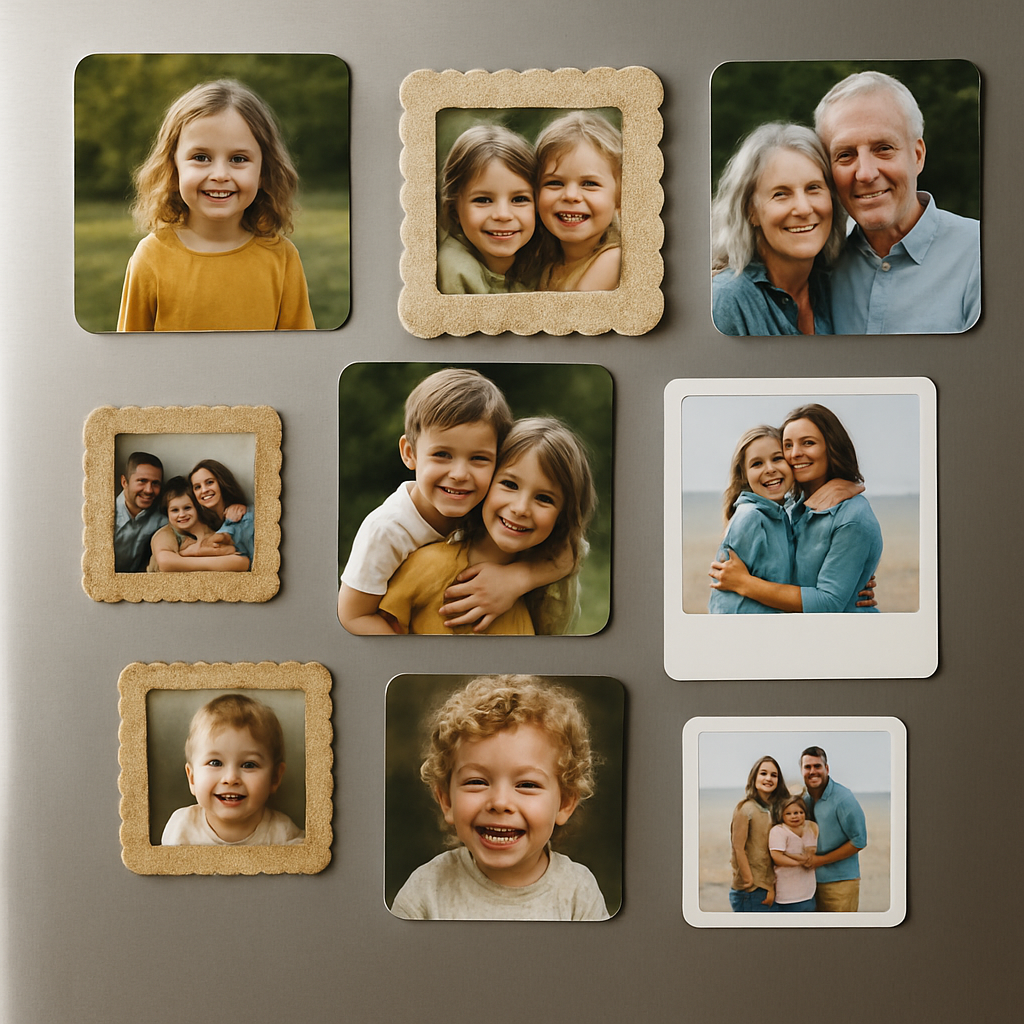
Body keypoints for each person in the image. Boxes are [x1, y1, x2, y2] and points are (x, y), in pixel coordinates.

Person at [337, 368, 573, 634]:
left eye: (479, 458)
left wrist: (514, 580)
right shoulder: (387, 530)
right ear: (409, 453)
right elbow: (353, 616)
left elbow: (568, 550)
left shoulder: (487, 505)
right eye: (442, 455)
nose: (460, 475)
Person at [390, 674, 609, 920]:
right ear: (446, 800)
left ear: (565, 803)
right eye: (477, 782)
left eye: (527, 784)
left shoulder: (579, 893)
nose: (500, 803)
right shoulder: (425, 891)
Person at [117, 79, 315, 331]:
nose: (220, 175)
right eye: (201, 157)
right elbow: (128, 352)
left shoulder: (282, 257)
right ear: (173, 169)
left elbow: (301, 351)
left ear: (264, 172)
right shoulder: (151, 257)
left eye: (238, 159)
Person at [380, 417, 596, 634]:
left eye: (544, 498)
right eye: (510, 484)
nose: (521, 508)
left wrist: (516, 580)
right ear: (487, 480)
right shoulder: (427, 561)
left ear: (562, 517)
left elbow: (573, 549)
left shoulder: (541, 582)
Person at [815, 71, 980, 334]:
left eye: (883, 148)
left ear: (917, 156)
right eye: (845, 155)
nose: (866, 173)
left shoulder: (984, 254)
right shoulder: (819, 263)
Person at [710, 403, 883, 613]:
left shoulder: (852, 516)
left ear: (832, 447)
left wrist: (745, 583)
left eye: (808, 443)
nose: (795, 454)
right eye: (788, 445)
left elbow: (828, 603)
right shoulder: (789, 509)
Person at [711, 123, 847, 336]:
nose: (803, 208)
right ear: (751, 212)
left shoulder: (836, 287)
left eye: (813, 188)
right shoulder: (727, 301)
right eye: (781, 194)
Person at [161, 694, 304, 846]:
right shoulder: (181, 829)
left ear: (274, 777)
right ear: (192, 778)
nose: (230, 778)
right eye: (215, 763)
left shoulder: (284, 836)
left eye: (249, 765)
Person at [436, 125, 541, 293]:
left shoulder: (542, 260)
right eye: (483, 200)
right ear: (454, 210)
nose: (503, 215)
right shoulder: (455, 273)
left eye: (519, 199)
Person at [536, 112, 621, 291]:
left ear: (619, 198)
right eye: (555, 183)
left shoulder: (613, 259)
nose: (570, 195)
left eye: (589, 184)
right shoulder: (544, 262)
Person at [800, 746, 867, 911]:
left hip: (841, 884)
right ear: (802, 771)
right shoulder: (804, 800)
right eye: (807, 767)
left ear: (827, 769)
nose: (813, 771)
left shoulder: (843, 798)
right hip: (811, 885)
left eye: (817, 766)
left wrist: (820, 860)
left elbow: (860, 840)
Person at [147, 476, 250, 572]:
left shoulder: (211, 531)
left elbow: (242, 562)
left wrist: (196, 552)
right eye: (175, 510)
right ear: (167, 512)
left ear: (197, 507)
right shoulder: (166, 533)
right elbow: (166, 563)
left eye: (187, 508)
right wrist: (201, 555)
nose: (182, 514)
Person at [729, 756, 789, 912]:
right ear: (754, 777)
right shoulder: (745, 809)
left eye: (774, 775)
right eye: (763, 773)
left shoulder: (774, 809)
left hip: (768, 888)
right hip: (751, 892)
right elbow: (738, 848)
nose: (768, 778)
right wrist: (749, 880)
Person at [189, 460, 254, 565]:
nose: (204, 490)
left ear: (222, 482)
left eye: (209, 482)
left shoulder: (247, 519)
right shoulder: (198, 523)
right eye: (197, 487)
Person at [114, 452, 166, 572]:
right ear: (124, 482)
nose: (149, 490)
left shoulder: (161, 519)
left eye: (155, 483)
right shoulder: (106, 516)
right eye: (142, 481)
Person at [768, 793, 819, 912]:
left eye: (799, 812)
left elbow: (811, 855)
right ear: (781, 815)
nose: (794, 816)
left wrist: (792, 855)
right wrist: (800, 863)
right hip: (788, 895)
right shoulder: (779, 831)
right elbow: (777, 857)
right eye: (788, 813)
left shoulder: (810, 828)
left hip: (809, 892)